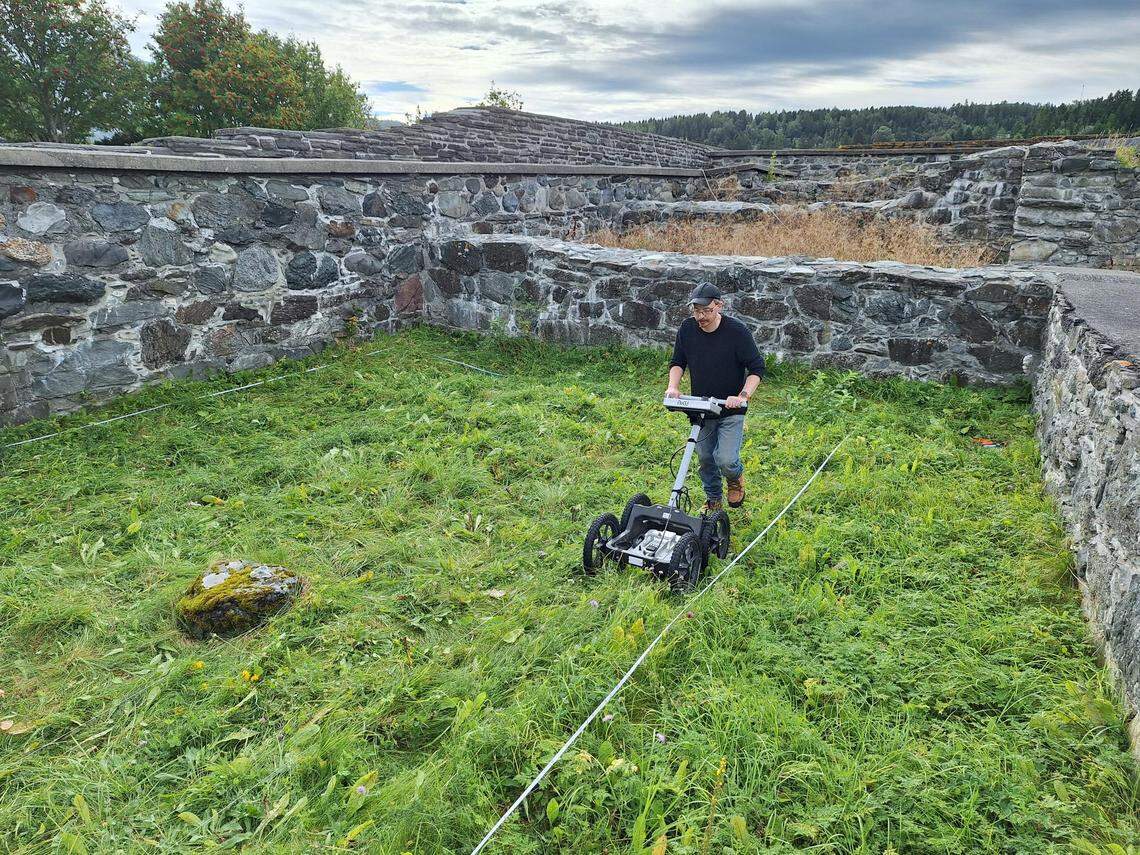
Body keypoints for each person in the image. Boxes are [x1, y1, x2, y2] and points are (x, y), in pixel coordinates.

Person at [665, 283, 765, 512]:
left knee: (725, 459)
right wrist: (673, 387)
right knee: (705, 458)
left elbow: (757, 368)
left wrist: (742, 395)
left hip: (731, 409)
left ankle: (735, 478)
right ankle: (713, 500)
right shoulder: (687, 329)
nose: (701, 316)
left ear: (719, 306)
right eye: (696, 311)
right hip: (703, 408)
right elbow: (678, 362)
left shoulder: (737, 332)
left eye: (706, 310)